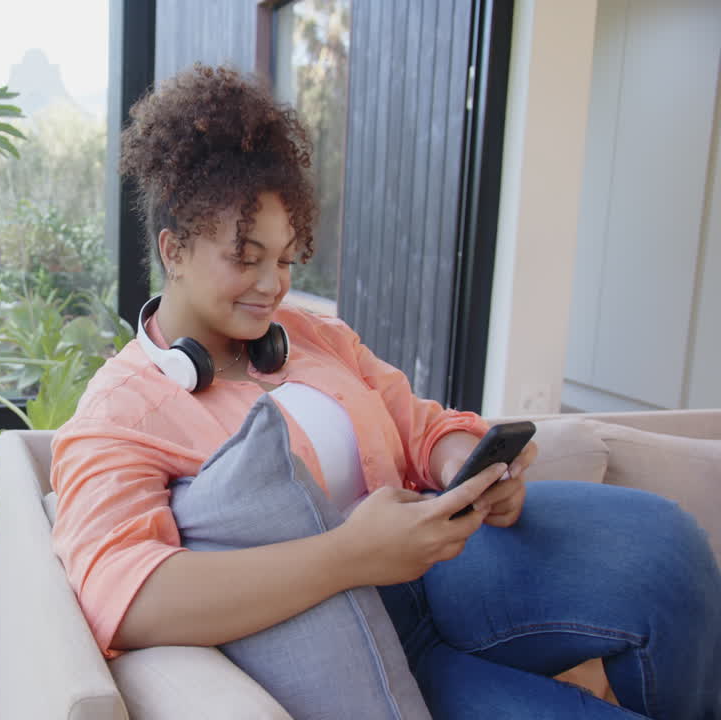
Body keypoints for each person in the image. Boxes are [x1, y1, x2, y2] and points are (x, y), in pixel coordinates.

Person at [49, 65, 721, 718]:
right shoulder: (116, 415)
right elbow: (128, 597)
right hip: (358, 644)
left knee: (668, 556)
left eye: (284, 259)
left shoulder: (309, 334)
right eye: (245, 257)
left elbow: (418, 422)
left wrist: (465, 464)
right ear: (173, 249)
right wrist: (348, 556)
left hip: (444, 566)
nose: (271, 285)